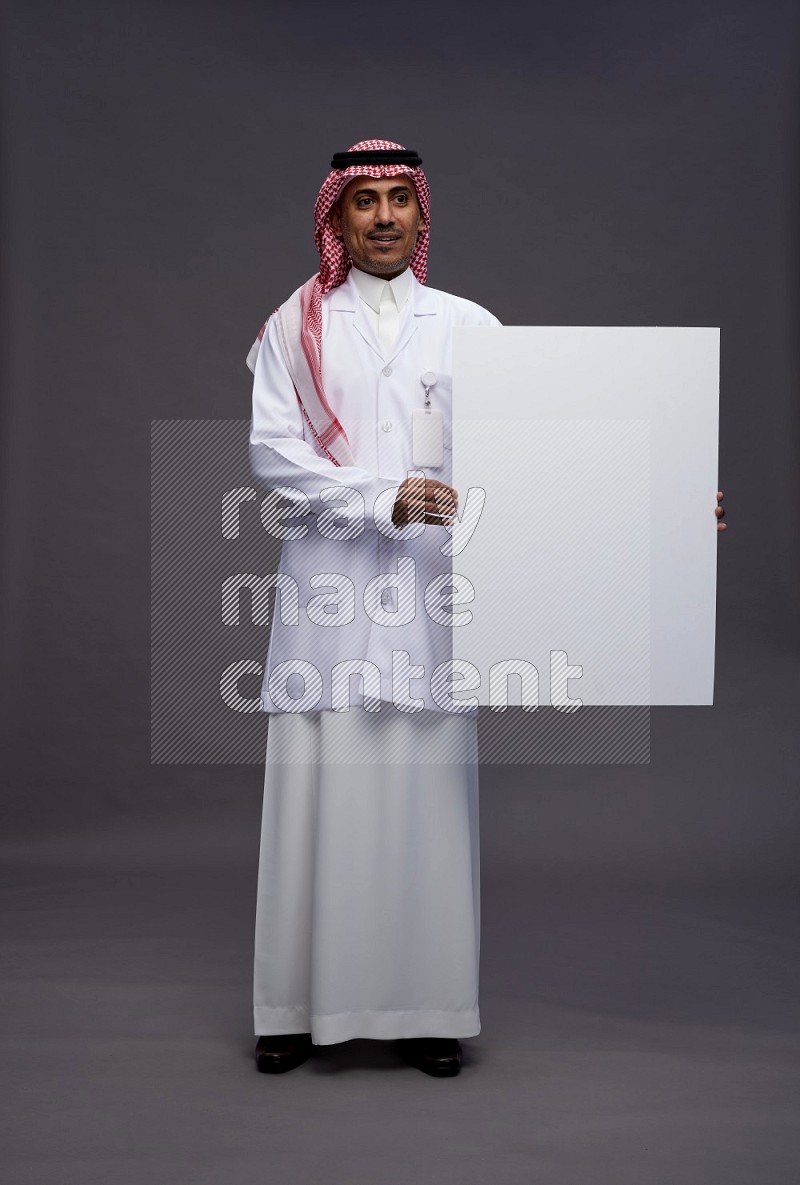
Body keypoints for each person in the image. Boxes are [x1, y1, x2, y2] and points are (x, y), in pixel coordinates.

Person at [246, 139, 500, 1078]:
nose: (385, 217)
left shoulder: (471, 325)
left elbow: (546, 452)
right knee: (317, 792)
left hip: (437, 598)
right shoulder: (295, 324)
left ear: (422, 216)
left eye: (401, 200)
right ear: (338, 219)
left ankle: (427, 1009)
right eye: (367, 203)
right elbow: (273, 454)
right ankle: (291, 1008)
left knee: (426, 802)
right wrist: (377, 496)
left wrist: (668, 510)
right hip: (329, 587)